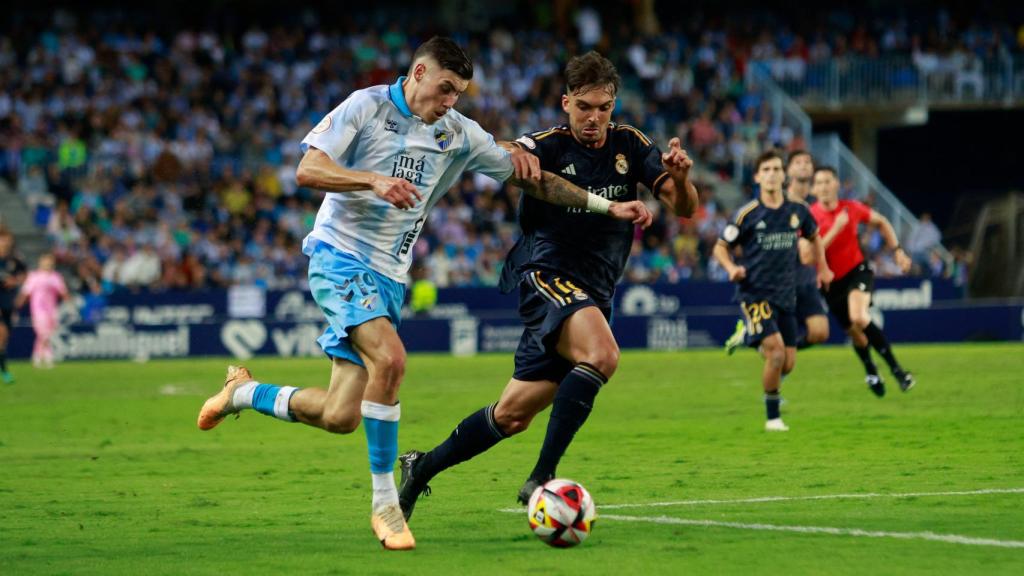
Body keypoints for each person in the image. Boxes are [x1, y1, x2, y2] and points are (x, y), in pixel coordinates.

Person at [194, 37, 651, 551]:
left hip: (389, 276)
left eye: (458, 93)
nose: (450, 101)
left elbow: (536, 181)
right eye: (444, 89)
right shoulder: (365, 107)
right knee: (390, 361)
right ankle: (387, 506)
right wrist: (371, 181)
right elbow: (307, 169)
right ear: (417, 73)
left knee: (340, 416)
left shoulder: (457, 132)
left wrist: (604, 206)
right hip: (339, 255)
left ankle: (242, 393)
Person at [395, 51, 697, 520]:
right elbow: (512, 154)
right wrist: (515, 151)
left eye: (603, 107)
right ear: (565, 103)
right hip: (546, 276)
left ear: (613, 104)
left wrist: (681, 178)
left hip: (595, 291)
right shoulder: (546, 145)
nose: (594, 118)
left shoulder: (631, 145)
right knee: (603, 356)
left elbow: (685, 208)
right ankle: (542, 477)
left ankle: (421, 467)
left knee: (512, 415)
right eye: (583, 107)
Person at [712, 151, 832, 432]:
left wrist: (823, 268)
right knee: (776, 354)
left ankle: (749, 336)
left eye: (777, 168)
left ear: (784, 175)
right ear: (757, 176)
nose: (772, 173)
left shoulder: (798, 210)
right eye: (766, 169)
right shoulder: (748, 214)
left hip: (786, 294)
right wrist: (731, 268)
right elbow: (720, 247)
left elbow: (815, 238)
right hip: (754, 293)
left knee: (787, 363)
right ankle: (773, 418)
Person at [810, 166, 915, 396]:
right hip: (830, 282)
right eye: (819, 183)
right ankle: (870, 368)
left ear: (837, 184)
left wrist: (897, 251)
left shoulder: (851, 208)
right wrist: (836, 229)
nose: (824, 187)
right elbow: (809, 255)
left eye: (828, 181)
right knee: (855, 332)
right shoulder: (811, 216)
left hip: (857, 270)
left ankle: (898, 370)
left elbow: (883, 222)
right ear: (813, 189)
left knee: (859, 316)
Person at [724, 150, 829, 353]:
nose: (804, 166)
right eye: (798, 162)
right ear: (787, 171)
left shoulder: (808, 206)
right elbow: (807, 253)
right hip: (773, 277)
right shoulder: (776, 198)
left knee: (820, 332)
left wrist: (822, 266)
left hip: (800, 275)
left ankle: (774, 349)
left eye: (807, 162)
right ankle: (765, 344)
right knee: (775, 347)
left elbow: (811, 248)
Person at [14, 253, 68, 369]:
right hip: (38, 309)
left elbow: (63, 292)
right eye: (45, 262)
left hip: (52, 310)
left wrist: (70, 303)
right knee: (43, 333)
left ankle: (39, 357)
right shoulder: (34, 276)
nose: (48, 264)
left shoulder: (56, 276)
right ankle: (44, 357)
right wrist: (16, 306)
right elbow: (25, 292)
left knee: (47, 334)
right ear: (40, 262)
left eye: (50, 262)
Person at [0, 230, 28, 383]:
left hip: (8, 304)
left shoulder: (14, 261)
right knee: (1, 335)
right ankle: (5, 373)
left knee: (4, 340)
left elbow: (24, 275)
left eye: (6, 243)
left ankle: (3, 369)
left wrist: (15, 282)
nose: (4, 245)